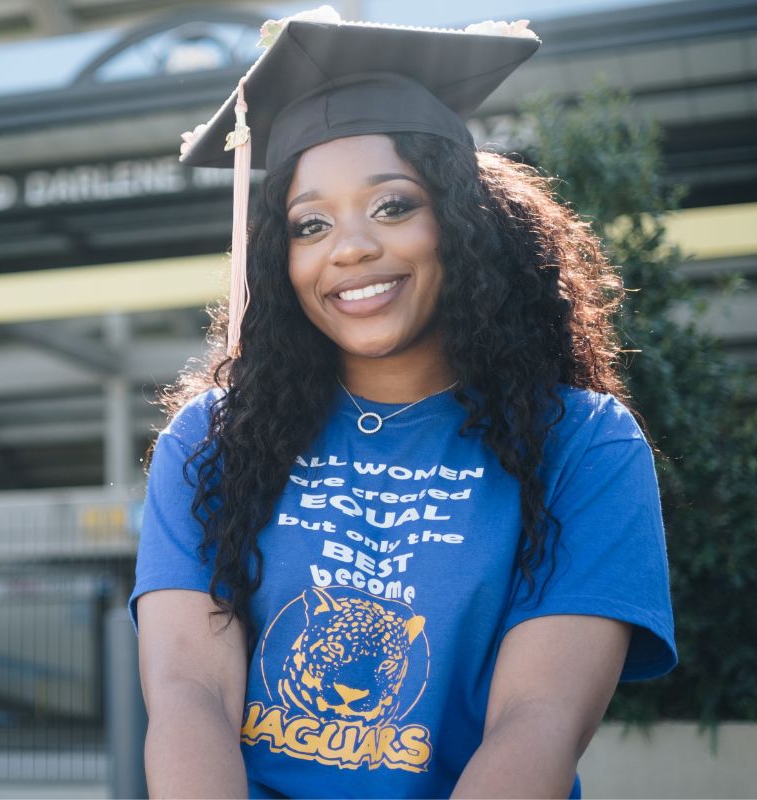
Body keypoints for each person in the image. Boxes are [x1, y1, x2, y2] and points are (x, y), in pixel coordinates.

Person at [129, 8, 677, 799]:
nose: (349, 247)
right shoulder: (211, 440)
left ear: (458, 222)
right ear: (280, 258)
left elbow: (539, 720)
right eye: (309, 224)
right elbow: (190, 695)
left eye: (392, 206)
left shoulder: (583, 445)